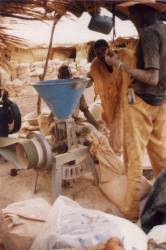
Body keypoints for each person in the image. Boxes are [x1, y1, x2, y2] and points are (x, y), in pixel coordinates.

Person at [105, 3, 166, 220]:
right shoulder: (163, 30)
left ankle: (130, 210)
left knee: (133, 157)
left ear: (143, 11)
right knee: (160, 156)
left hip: (141, 104)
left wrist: (120, 64)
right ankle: (163, 199)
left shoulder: (149, 34)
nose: (130, 16)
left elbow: (151, 77)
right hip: (161, 103)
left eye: (132, 13)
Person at [57, 65, 100, 129]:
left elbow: (86, 111)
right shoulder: (55, 92)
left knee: (91, 127)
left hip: (75, 120)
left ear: (71, 76)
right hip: (60, 122)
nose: (66, 78)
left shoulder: (78, 92)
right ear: (58, 77)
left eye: (68, 75)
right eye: (63, 75)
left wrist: (97, 126)